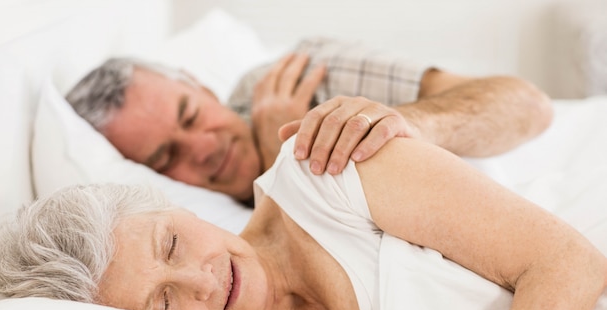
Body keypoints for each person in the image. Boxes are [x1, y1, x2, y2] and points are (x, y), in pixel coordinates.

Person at [0, 113, 607, 310]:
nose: (204, 280)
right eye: (165, 307)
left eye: (173, 245)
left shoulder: (327, 169)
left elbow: (567, 263)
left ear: (178, 209)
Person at [66, 37, 553, 204]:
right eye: (166, 156)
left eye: (192, 115)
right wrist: (284, 166)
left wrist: (394, 127)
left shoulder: (302, 74)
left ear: (202, 87)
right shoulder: (188, 226)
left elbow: (528, 107)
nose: (204, 147)